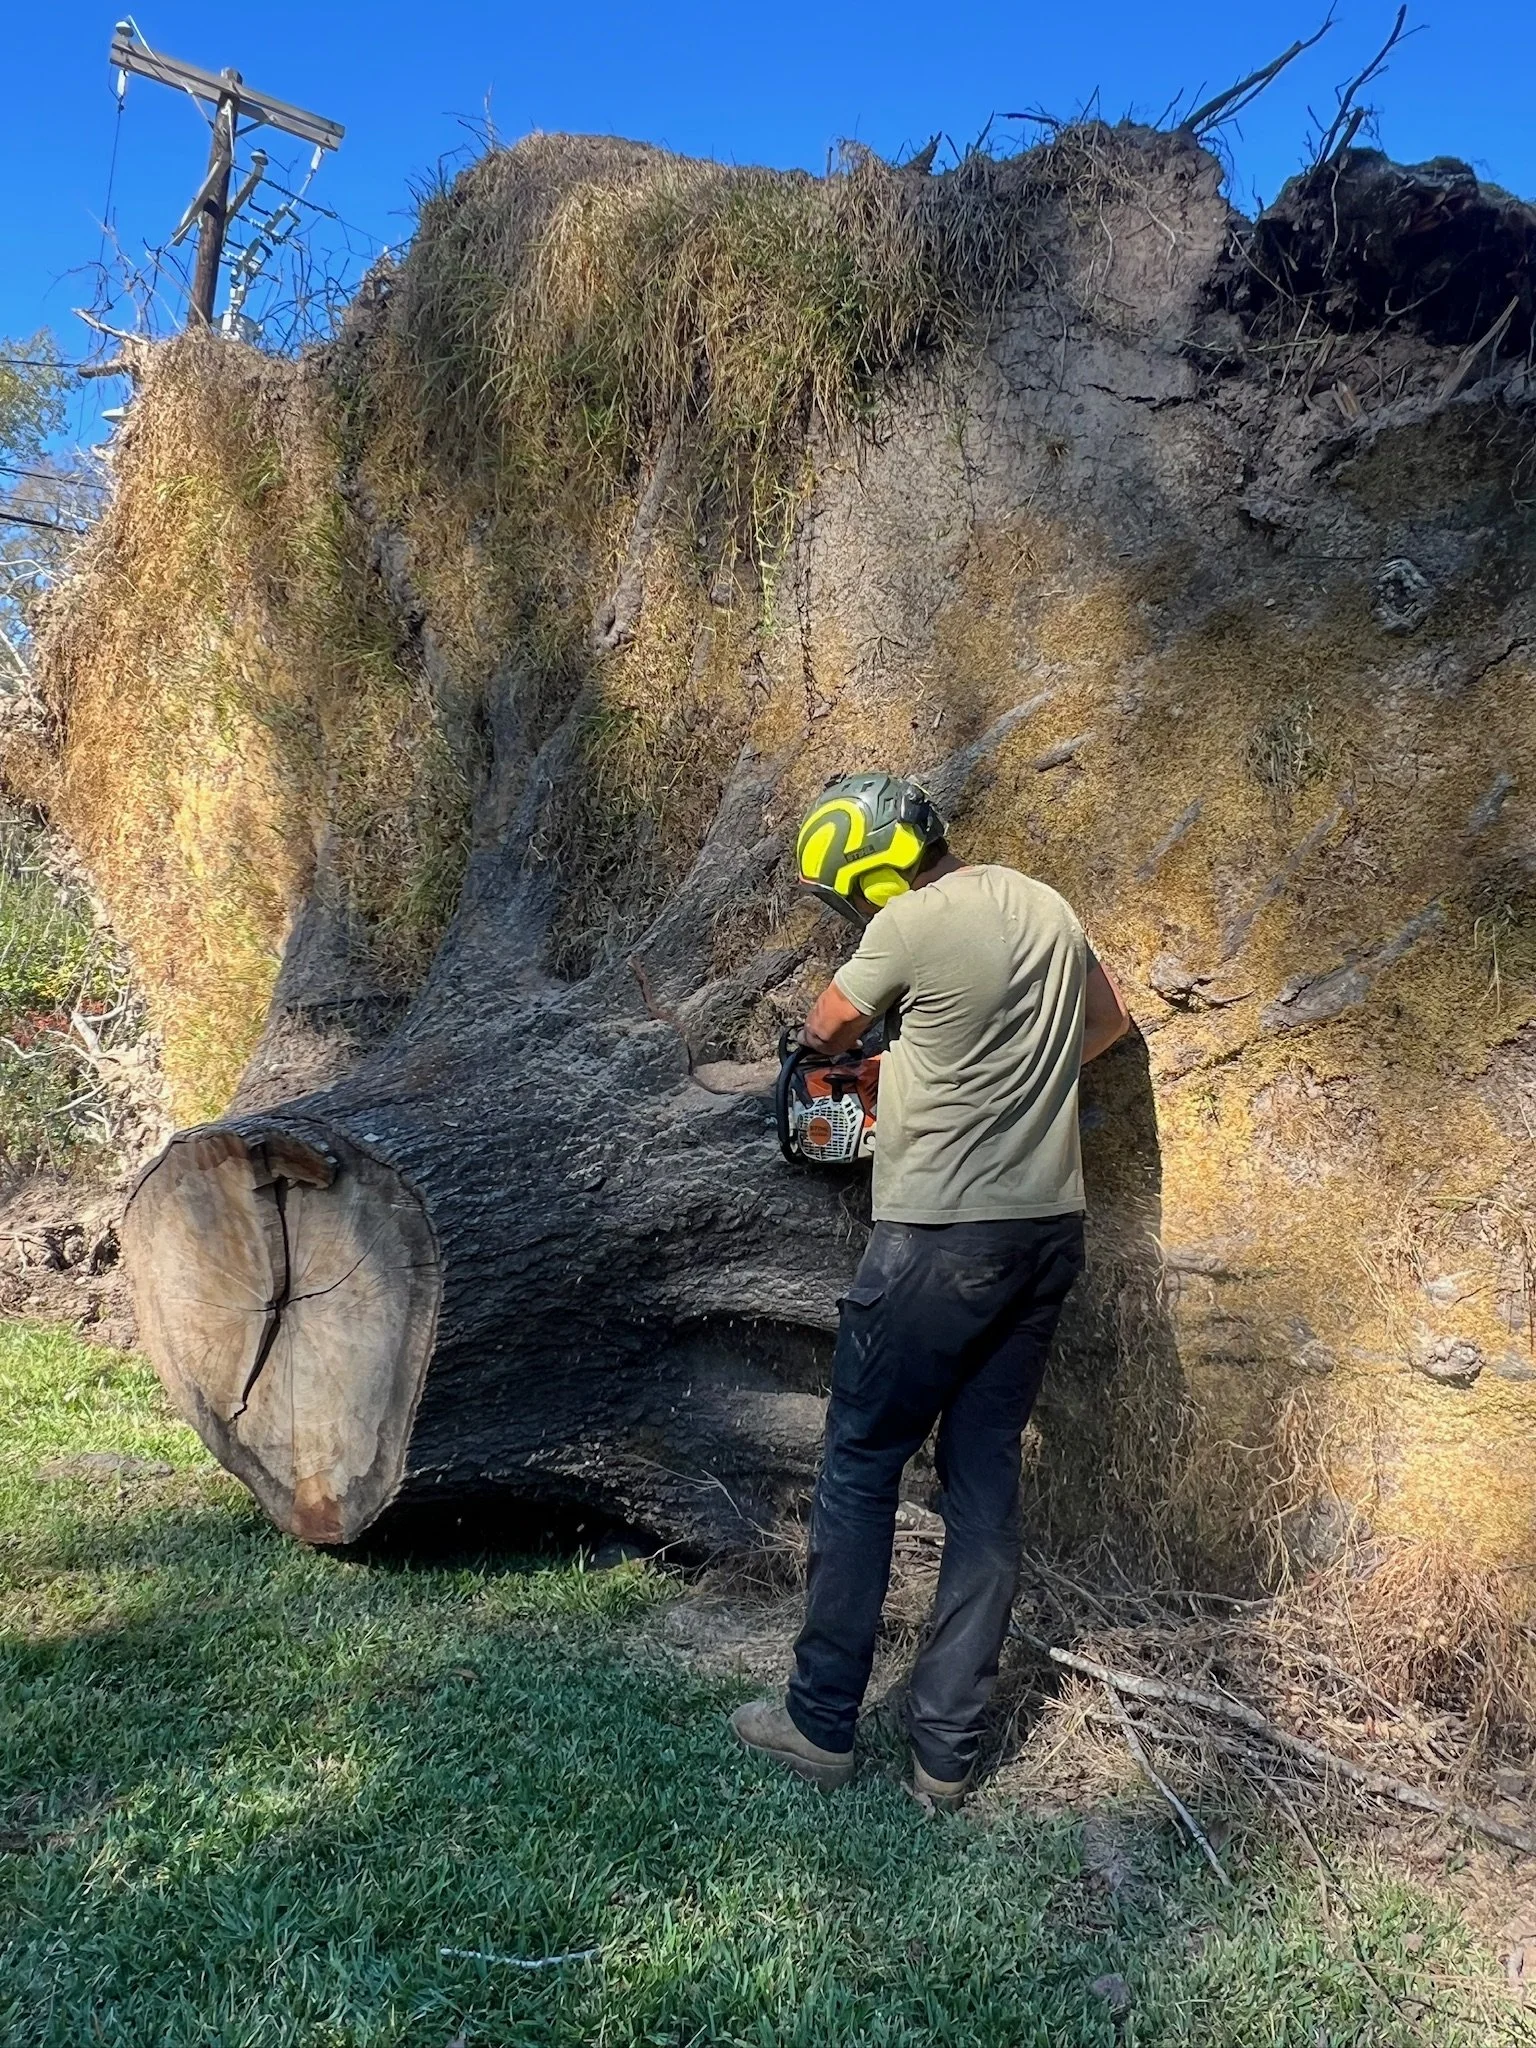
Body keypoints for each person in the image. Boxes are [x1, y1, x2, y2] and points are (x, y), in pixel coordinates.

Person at [731, 771, 1130, 1807]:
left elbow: (820, 1038)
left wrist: (881, 1059)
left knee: (861, 1462)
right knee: (983, 1474)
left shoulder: (904, 926)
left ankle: (820, 1720)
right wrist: (1013, 1077)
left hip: (937, 1242)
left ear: (867, 869)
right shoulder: (1047, 903)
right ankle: (945, 1751)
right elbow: (1107, 1022)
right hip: (1046, 1231)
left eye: (846, 890)